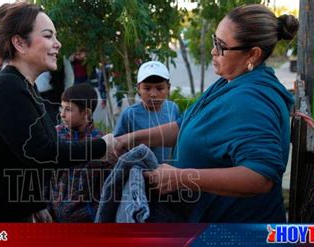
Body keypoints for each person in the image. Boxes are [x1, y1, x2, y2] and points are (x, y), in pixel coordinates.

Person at [115, 4, 298, 223]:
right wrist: (131, 138)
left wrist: (181, 178)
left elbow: (260, 177)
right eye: (214, 41)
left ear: (252, 54)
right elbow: (186, 125)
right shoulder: (229, 82)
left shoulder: (251, 100)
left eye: (221, 46)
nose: (213, 51)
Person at [0, 2, 114, 223]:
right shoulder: (5, 87)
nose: (58, 44)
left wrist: (36, 204)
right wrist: (103, 146)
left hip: (11, 216)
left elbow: (24, 158)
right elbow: (42, 153)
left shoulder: (25, 86)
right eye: (48, 36)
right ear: (19, 43)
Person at [46, 83, 114, 222]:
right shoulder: (54, 135)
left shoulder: (101, 143)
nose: (62, 114)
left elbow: (108, 189)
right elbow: (44, 176)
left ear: (86, 113)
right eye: (61, 108)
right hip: (51, 218)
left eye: (69, 110)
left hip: (85, 221)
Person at [114, 61, 180, 164]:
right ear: (138, 89)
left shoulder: (173, 108)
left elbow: (177, 141)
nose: (153, 94)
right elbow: (117, 146)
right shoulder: (129, 114)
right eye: (147, 88)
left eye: (159, 88)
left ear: (168, 88)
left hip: (166, 172)